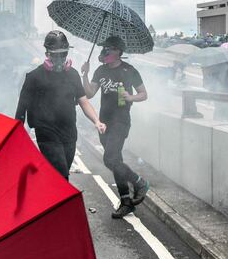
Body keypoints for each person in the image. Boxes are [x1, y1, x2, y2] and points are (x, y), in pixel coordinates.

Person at [16, 31, 106, 180]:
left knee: (60, 174)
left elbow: (84, 102)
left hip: (69, 132)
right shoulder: (34, 77)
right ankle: (64, 202)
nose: (60, 58)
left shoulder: (73, 75)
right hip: (46, 132)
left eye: (63, 54)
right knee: (61, 174)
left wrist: (97, 121)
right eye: (55, 54)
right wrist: (18, 136)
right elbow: (21, 108)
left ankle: (50, 199)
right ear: (47, 54)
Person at [81, 36, 149, 219]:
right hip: (104, 121)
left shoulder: (129, 70)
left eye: (108, 49)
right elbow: (89, 93)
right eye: (103, 48)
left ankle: (140, 182)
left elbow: (144, 94)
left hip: (121, 120)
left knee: (109, 157)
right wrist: (85, 74)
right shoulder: (100, 70)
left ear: (118, 51)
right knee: (115, 160)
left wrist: (130, 97)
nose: (104, 52)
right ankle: (126, 201)